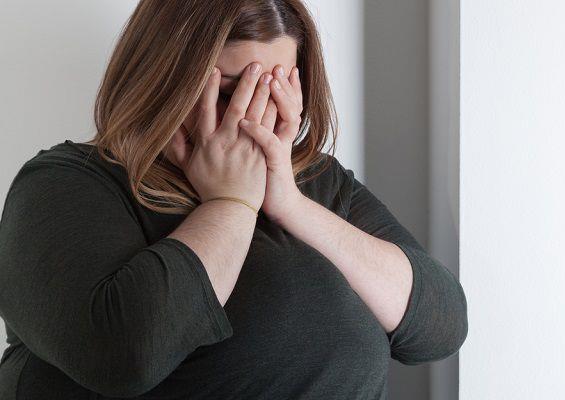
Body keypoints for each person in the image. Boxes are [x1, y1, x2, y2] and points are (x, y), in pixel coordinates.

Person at [0, 1, 468, 399]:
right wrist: (229, 203)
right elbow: (125, 355)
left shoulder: (319, 182)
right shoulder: (66, 183)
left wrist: (290, 204)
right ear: (163, 81)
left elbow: (439, 328)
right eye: (231, 93)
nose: (254, 120)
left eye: (274, 91)